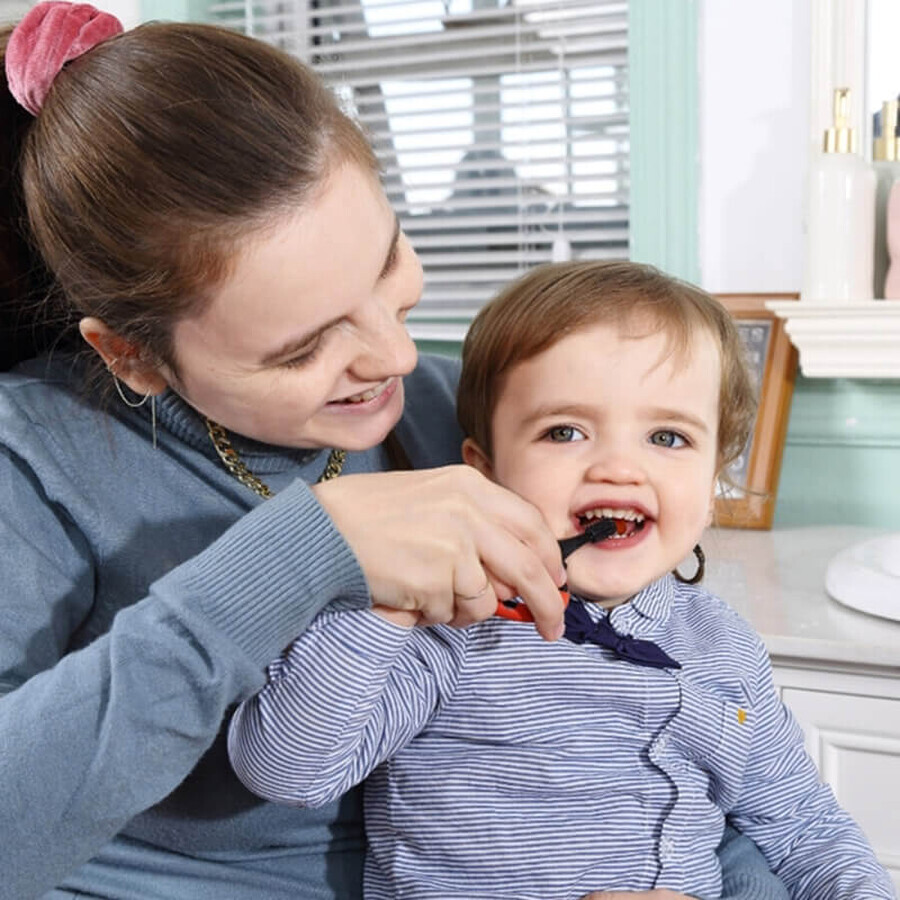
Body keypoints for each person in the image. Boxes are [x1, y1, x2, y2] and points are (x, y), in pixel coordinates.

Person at [0, 3, 789, 898]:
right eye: (304, 347)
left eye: (388, 266)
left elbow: (671, 731)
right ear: (129, 355)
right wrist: (306, 550)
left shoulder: (463, 416)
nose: (397, 357)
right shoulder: (29, 464)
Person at [228, 261, 895, 900]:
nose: (619, 468)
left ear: (713, 485)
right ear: (483, 475)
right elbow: (286, 769)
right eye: (566, 431)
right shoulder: (448, 630)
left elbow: (805, 829)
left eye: (667, 439)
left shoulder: (726, 648)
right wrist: (384, 606)